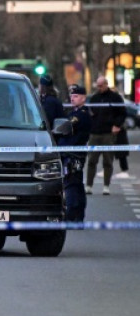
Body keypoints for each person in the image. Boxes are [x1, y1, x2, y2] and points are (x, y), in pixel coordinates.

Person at [55, 84, 92, 222]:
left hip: (74, 154)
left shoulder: (81, 115)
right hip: (70, 153)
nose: (72, 98)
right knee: (76, 184)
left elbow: (64, 127)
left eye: (76, 96)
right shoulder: (73, 113)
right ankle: (78, 216)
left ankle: (71, 215)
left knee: (71, 184)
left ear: (83, 98)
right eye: (71, 96)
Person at [85, 76, 126, 195]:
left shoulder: (115, 98)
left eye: (101, 85)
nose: (99, 88)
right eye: (97, 86)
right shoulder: (94, 98)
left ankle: (106, 186)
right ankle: (88, 185)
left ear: (106, 84)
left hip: (108, 133)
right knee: (92, 160)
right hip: (95, 133)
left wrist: (117, 125)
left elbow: (122, 113)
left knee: (108, 161)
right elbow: (90, 112)